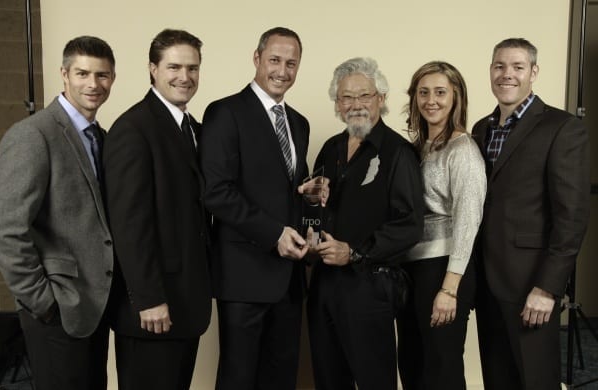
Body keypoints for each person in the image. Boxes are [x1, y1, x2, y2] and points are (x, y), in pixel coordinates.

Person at [0, 36, 115, 390]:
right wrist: (42, 302)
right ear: (64, 74)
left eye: (102, 75)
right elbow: (7, 229)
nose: (93, 84)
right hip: (57, 309)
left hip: (94, 307)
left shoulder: (101, 137)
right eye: (82, 73)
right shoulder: (34, 135)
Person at [472, 38, 589, 390]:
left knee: (536, 381)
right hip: (486, 282)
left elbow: (572, 217)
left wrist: (548, 288)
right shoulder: (482, 129)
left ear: (533, 72)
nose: (507, 75)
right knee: (498, 379)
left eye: (518, 67)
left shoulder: (562, 128)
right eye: (499, 66)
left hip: (530, 284)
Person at [200, 27, 311, 390]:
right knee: (239, 379)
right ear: (257, 59)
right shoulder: (224, 113)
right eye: (275, 60)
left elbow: (283, 188)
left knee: (280, 378)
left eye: (291, 63)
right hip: (244, 277)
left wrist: (308, 196)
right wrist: (274, 233)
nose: (282, 71)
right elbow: (216, 192)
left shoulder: (298, 123)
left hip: (289, 279)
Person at [307, 57, 424, 390]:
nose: (355, 105)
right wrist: (309, 209)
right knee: (329, 379)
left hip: (370, 285)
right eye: (346, 97)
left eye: (364, 96)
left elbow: (410, 224)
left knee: (375, 381)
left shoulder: (398, 152)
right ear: (337, 104)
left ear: (381, 100)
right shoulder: (329, 149)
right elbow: (316, 213)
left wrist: (355, 252)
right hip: (324, 284)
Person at [103, 29, 211, 390]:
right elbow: (129, 224)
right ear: (152, 69)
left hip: (185, 304)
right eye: (174, 67)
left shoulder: (193, 128)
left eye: (193, 68)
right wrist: (148, 300)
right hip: (152, 311)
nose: (185, 77)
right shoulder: (133, 129)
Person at [397, 61, 486, 389]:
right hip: (412, 270)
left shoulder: (463, 151)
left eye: (440, 92)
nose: (430, 100)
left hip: (444, 271)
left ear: (456, 97)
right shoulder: (420, 147)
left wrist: (449, 289)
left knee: (441, 368)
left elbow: (467, 222)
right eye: (423, 92)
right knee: (412, 363)